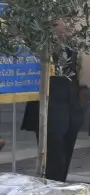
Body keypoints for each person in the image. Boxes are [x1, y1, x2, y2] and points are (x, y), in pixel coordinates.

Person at [22, 21, 85, 182]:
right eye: (66, 21)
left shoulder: (70, 48)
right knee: (54, 161)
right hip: (50, 112)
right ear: (53, 24)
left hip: (71, 111)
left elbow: (76, 77)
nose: (72, 25)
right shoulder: (41, 46)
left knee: (65, 158)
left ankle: (60, 191)